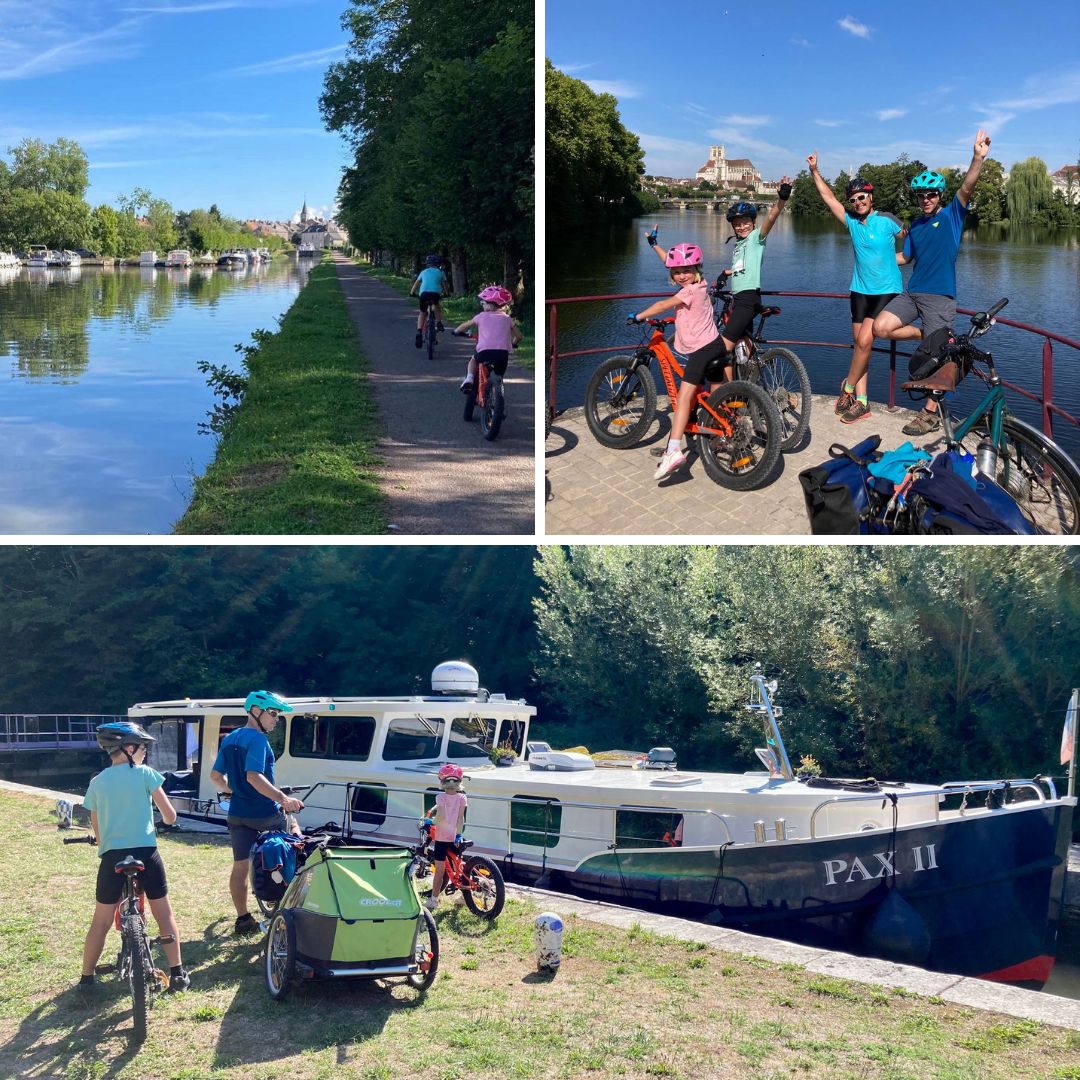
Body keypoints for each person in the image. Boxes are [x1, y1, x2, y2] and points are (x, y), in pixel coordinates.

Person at [633, 180, 792, 481]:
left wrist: (782, 197)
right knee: (719, 357)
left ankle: (731, 402)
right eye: (738, 222)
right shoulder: (738, 248)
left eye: (746, 221)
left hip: (746, 301)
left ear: (752, 224)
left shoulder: (756, 237)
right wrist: (726, 272)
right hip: (740, 297)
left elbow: (771, 219)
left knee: (723, 350)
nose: (743, 225)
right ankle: (723, 403)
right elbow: (677, 263)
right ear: (733, 225)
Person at [872, 129, 992, 436]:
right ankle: (928, 334)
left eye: (931, 195)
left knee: (939, 360)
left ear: (939, 196)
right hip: (912, 293)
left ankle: (929, 414)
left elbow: (967, 187)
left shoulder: (952, 217)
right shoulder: (916, 227)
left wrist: (977, 157)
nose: (926, 200)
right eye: (921, 196)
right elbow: (905, 258)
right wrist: (877, 256)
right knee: (880, 328)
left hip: (940, 297)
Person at [79, 722, 189, 994]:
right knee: (163, 913)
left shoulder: (97, 782)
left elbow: (98, 826)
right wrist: (164, 821)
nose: (144, 754)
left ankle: (86, 980)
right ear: (129, 749)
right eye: (142, 748)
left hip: (113, 857)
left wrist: (103, 840)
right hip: (146, 853)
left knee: (101, 921)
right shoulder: (145, 774)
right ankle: (177, 974)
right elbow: (170, 816)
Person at [806, 154, 906, 424]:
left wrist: (897, 259)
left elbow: (910, 247)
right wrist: (815, 170)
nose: (858, 202)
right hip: (859, 291)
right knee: (860, 350)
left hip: (886, 290)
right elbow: (828, 198)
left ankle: (847, 389)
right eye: (854, 199)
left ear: (871, 198)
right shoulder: (851, 222)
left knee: (864, 341)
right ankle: (861, 402)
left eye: (862, 197)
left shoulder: (888, 220)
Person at [210, 690, 304, 935]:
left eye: (277, 715)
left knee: (239, 866)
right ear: (255, 712)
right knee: (294, 841)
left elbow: (215, 777)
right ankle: (288, 912)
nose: (276, 719)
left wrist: (234, 791)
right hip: (264, 812)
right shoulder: (258, 740)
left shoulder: (230, 738)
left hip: (237, 814)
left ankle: (243, 919)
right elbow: (254, 776)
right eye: (272, 713)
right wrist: (284, 799)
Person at [454, 285, 523, 395]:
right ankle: (498, 401)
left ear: (489, 305)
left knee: (473, 360)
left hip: (484, 352)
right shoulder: (507, 318)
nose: (482, 305)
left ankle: (469, 379)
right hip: (502, 355)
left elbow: (465, 325)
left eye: (483, 303)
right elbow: (519, 336)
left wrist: (456, 331)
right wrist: (513, 343)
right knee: (499, 377)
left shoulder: (481, 316)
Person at [423, 763, 468, 911]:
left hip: (442, 838)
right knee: (458, 869)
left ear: (441, 782)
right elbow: (460, 819)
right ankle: (465, 896)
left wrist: (431, 821)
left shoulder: (440, 797)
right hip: (454, 836)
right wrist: (459, 834)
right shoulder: (462, 798)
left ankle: (434, 900)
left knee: (440, 870)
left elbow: (440, 816)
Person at [409, 254, 449, 348]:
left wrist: (412, 293)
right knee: (436, 306)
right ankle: (439, 323)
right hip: (435, 294)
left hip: (424, 295)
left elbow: (416, 284)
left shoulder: (423, 272)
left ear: (427, 264)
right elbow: (445, 285)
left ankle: (419, 332)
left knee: (422, 312)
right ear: (437, 264)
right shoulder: (440, 272)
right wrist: (447, 293)